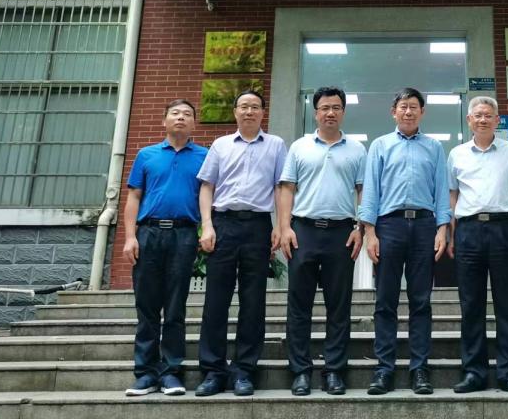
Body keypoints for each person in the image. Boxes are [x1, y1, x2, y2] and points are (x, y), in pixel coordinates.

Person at [358, 87, 451, 396]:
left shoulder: (434, 147)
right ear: (393, 112)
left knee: (421, 301)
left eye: (414, 107)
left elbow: (441, 190)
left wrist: (442, 229)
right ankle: (384, 369)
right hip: (389, 226)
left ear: (422, 112)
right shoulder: (380, 146)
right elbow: (370, 191)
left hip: (424, 226)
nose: (408, 111)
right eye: (403, 106)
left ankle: (419, 369)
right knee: (385, 300)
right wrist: (370, 232)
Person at [194, 90, 287, 397]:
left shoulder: (276, 145)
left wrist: (279, 226)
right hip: (223, 224)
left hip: (258, 226)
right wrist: (207, 225)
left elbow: (281, 188)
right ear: (235, 112)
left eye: (255, 107)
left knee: (253, 300)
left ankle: (244, 370)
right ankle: (213, 371)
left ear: (263, 112)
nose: (249, 111)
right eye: (244, 106)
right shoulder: (220, 144)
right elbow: (207, 186)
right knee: (216, 300)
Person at [278, 87, 366, 397]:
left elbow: (363, 192)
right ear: (315, 112)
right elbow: (287, 189)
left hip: (342, 233)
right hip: (303, 232)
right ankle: (300, 372)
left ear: (343, 112)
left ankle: (334, 372)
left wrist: (360, 228)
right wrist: (284, 227)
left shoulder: (357, 149)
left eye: (336, 107)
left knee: (338, 306)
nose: (331, 112)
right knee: (299, 306)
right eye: (325, 107)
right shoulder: (299, 147)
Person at [122, 99, 208, 397]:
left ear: (194, 123)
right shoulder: (146, 155)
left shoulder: (205, 157)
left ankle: (171, 372)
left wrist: (205, 230)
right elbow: (134, 197)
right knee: (147, 306)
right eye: (175, 113)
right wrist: (130, 237)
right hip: (149, 234)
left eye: (187, 114)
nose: (181, 118)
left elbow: (208, 197)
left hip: (184, 235)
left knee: (175, 306)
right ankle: (145, 373)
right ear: (164, 120)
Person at [448, 96, 508, 395]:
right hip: (468, 231)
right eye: (478, 115)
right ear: (469, 120)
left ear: (497, 120)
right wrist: (452, 234)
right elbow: (452, 196)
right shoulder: (457, 154)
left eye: (488, 115)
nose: (483, 119)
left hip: (503, 229)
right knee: (471, 305)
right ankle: (474, 372)